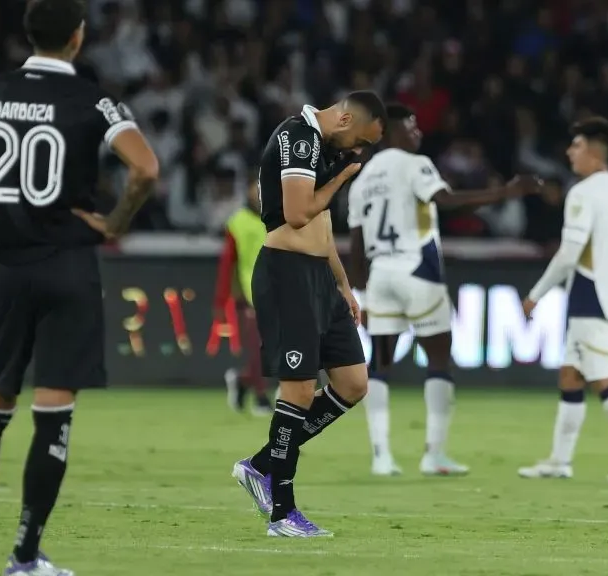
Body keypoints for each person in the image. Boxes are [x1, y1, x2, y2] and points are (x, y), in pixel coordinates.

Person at [0, 1, 159, 574]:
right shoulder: (93, 99)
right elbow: (145, 169)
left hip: (6, 268)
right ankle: (23, 555)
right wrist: (114, 224)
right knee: (53, 415)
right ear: (79, 38)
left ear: (29, 36)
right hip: (68, 267)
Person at [348, 103, 541, 477]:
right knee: (438, 360)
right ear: (389, 133)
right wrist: (506, 192)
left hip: (381, 277)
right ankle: (433, 454)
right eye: (411, 126)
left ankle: (380, 456)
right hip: (418, 272)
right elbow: (446, 200)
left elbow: (355, 246)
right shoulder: (415, 164)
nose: (417, 133)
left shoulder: (362, 180)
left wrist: (363, 293)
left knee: (381, 363)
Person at [230, 92, 385, 537]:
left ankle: (261, 465)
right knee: (297, 390)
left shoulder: (322, 148)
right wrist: (341, 176)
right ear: (346, 118)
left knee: (353, 383)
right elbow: (298, 215)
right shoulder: (298, 137)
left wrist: (342, 284)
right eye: (360, 140)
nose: (357, 152)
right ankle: (282, 512)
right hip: (287, 275)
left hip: (320, 277)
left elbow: (322, 226)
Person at [518, 117, 608, 482]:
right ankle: (559, 461)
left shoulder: (584, 192)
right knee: (571, 375)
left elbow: (569, 252)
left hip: (589, 293)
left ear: (594, 153)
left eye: (576, 146)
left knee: (603, 378)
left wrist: (535, 295)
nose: (569, 152)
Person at [214, 178, 273, 416]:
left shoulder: (276, 218)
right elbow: (228, 264)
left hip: (275, 290)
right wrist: (222, 299)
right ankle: (261, 398)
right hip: (249, 293)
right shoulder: (237, 222)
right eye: (255, 191)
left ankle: (242, 380)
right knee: (260, 348)